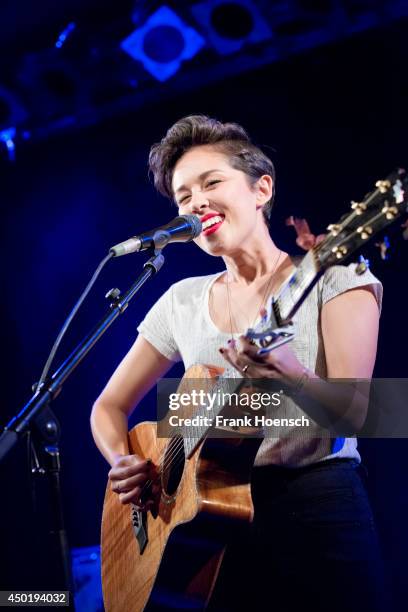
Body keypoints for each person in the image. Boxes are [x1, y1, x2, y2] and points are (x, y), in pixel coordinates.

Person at [91, 115, 387, 611]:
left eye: (212, 183)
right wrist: (125, 460)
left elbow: (363, 415)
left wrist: (290, 372)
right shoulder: (180, 300)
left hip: (315, 508)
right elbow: (108, 407)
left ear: (261, 189)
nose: (196, 202)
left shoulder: (336, 278)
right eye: (183, 197)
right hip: (204, 522)